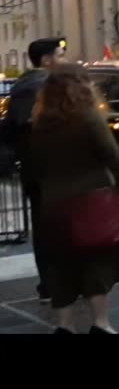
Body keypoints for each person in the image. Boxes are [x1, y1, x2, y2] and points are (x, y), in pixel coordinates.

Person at [27, 63, 119, 333]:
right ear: (81, 85)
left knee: (60, 263)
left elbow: (34, 166)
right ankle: (101, 324)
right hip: (91, 201)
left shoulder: (40, 122)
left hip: (54, 204)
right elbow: (113, 156)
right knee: (97, 261)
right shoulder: (88, 117)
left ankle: (65, 326)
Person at [0, 36, 68, 303]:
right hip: (54, 170)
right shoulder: (47, 86)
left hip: (33, 169)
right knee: (62, 227)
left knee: (43, 227)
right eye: (60, 55)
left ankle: (49, 284)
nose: (63, 60)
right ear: (48, 59)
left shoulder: (21, 86)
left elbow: (11, 128)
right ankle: (61, 284)